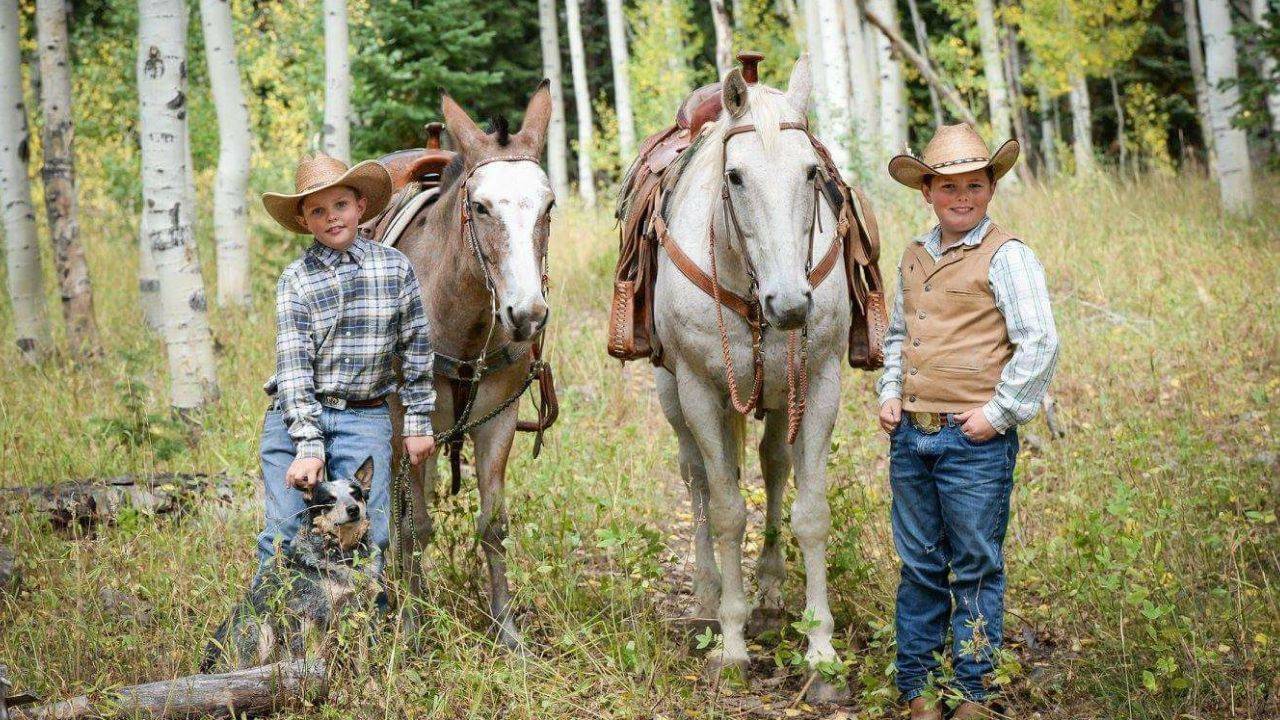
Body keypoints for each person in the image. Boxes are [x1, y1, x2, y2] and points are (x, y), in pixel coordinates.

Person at [878, 124, 1060, 719]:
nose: (963, 198)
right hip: (911, 433)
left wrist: (999, 413)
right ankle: (919, 690)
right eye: (949, 187)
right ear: (927, 190)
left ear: (991, 189)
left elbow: (1038, 342)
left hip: (973, 439)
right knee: (921, 564)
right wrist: (890, 392)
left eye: (975, 186)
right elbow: (902, 334)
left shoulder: (1006, 255)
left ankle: (973, 693)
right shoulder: (913, 253)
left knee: (975, 565)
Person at [256, 153, 436, 578]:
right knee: (284, 533)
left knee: (366, 529)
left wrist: (418, 420)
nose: (331, 218)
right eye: (317, 210)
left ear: (360, 206)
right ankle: (273, 629)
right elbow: (295, 367)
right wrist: (308, 448)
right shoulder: (296, 279)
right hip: (297, 416)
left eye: (340, 205)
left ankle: (362, 634)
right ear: (304, 220)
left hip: (364, 414)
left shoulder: (395, 267)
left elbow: (415, 346)